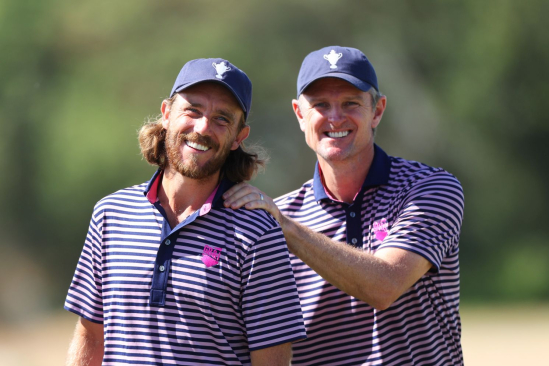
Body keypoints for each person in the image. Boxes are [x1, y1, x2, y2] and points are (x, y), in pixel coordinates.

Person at [223, 46, 464, 365]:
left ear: (377, 110)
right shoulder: (277, 218)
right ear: (299, 114)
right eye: (321, 105)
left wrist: (285, 228)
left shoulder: (429, 188)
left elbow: (384, 285)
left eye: (350, 103)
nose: (335, 118)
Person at [64, 58, 306, 366]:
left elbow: (271, 361)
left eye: (222, 119)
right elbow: (90, 336)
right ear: (166, 114)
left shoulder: (259, 233)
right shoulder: (111, 214)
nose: (203, 127)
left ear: (238, 138)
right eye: (192, 110)